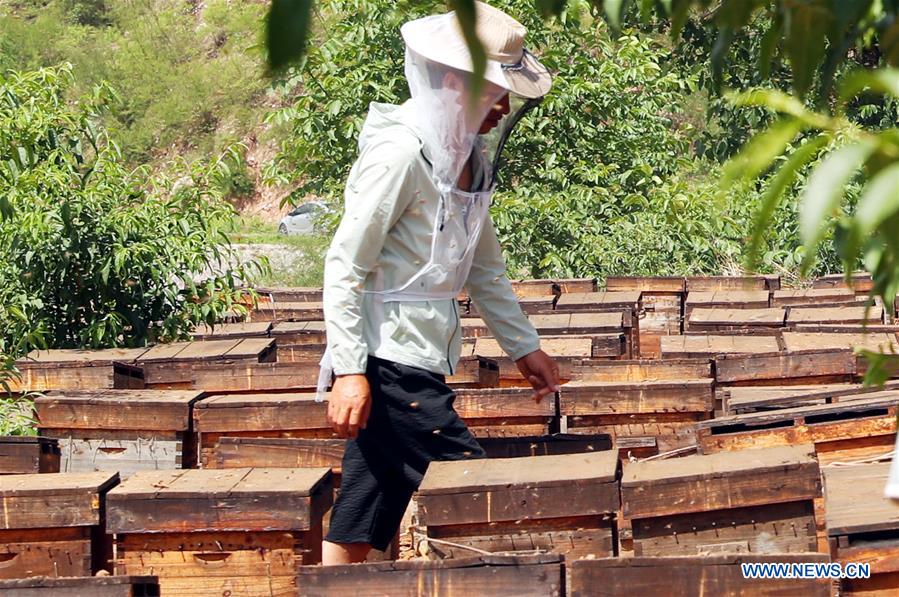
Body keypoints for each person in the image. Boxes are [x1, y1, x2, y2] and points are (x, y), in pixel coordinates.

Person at [319, 1, 559, 564]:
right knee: (471, 487)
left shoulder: (463, 156)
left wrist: (524, 347)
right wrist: (351, 370)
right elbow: (345, 264)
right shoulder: (400, 153)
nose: (503, 107)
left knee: (363, 508)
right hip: (387, 358)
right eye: (495, 91)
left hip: (421, 353)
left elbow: (483, 266)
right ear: (454, 81)